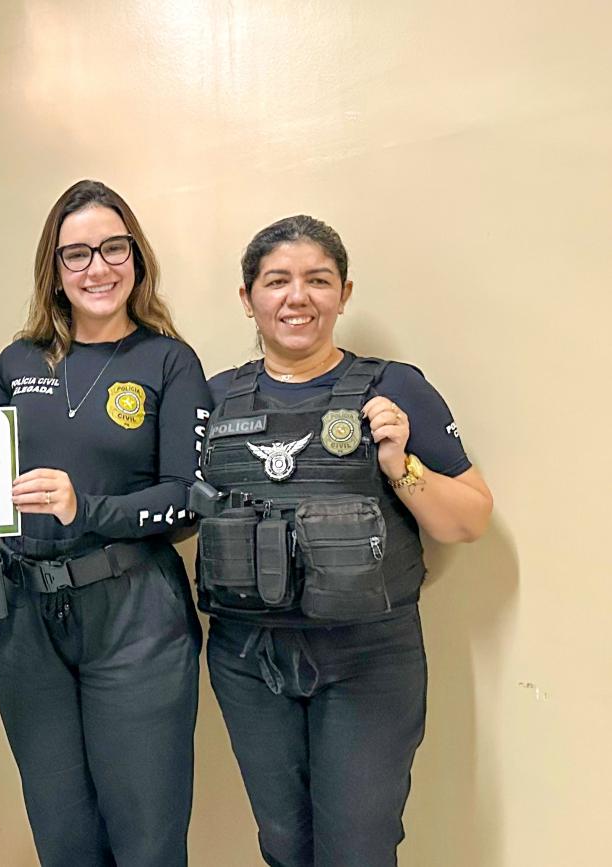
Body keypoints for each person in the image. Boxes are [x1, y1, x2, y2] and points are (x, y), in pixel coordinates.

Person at [198, 214, 494, 867]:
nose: (297, 297)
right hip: (248, 657)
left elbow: (469, 520)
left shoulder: (395, 388)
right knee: (283, 843)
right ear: (247, 297)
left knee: (357, 848)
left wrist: (401, 465)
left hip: (368, 657)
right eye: (277, 280)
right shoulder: (211, 400)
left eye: (318, 280)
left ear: (344, 293)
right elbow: (170, 505)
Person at [0, 179, 211, 866]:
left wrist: (86, 508)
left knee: (146, 840)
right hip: (26, 624)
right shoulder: (19, 362)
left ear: (137, 257)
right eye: (77, 254)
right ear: (55, 269)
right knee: (62, 837)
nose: (97, 268)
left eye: (113, 248)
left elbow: (187, 500)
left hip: (136, 620)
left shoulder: (168, 361)